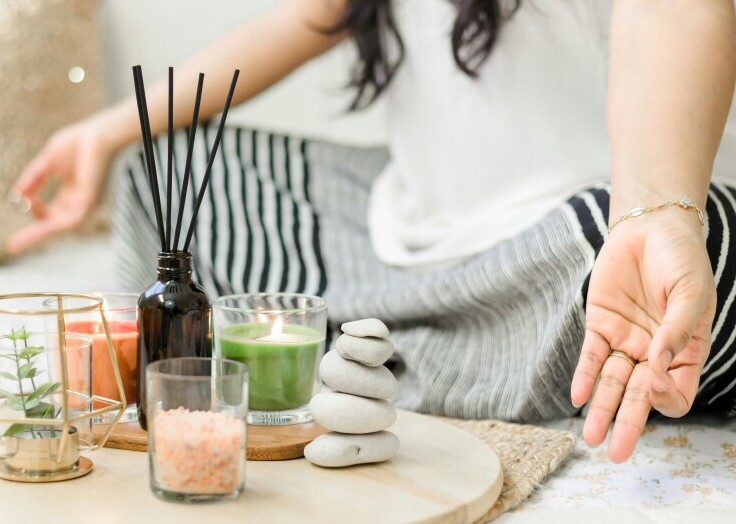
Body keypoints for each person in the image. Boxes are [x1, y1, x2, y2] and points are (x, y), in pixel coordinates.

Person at [7, 0, 736, 463]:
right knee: (163, 163)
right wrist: (104, 132)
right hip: (393, 231)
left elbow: (674, 9)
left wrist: (657, 211)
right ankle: (451, 344)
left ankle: (404, 345)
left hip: (578, 241)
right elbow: (308, 15)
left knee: (706, 259)